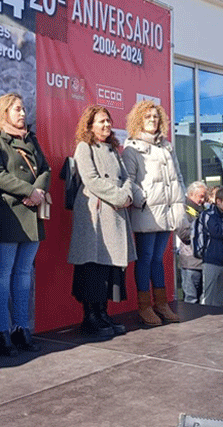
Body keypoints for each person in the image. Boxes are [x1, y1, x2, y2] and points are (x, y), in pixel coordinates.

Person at [0, 93, 50, 356]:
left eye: (23, 109)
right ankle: (2, 332)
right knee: (2, 275)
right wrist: (28, 192)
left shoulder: (30, 139)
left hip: (31, 216)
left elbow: (45, 170)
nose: (22, 113)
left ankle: (21, 327)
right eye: (17, 109)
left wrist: (38, 191)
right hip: (6, 214)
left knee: (22, 275)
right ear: (3, 112)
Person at [68, 105, 137, 337]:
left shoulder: (114, 150)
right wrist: (119, 196)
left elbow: (126, 178)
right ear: (90, 125)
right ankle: (90, 316)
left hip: (115, 214)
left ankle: (103, 313)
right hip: (95, 216)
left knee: (109, 270)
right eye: (101, 121)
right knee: (93, 267)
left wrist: (127, 193)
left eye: (108, 121)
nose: (106, 125)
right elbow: (91, 179)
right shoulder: (84, 147)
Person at [122, 100, 185, 325]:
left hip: (166, 212)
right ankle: (145, 306)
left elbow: (178, 177)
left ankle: (162, 304)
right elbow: (128, 180)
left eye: (155, 116)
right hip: (147, 211)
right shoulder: (132, 148)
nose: (152, 120)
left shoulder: (167, 147)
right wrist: (143, 200)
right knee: (146, 258)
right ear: (139, 120)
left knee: (159, 258)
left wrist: (180, 204)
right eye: (147, 117)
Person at [175, 181, 208, 304]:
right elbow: (184, 233)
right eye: (201, 196)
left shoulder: (201, 210)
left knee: (203, 299)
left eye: (204, 196)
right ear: (191, 194)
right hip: (190, 261)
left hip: (202, 261)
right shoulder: (183, 209)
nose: (203, 200)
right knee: (191, 299)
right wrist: (204, 230)